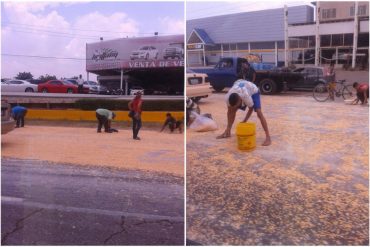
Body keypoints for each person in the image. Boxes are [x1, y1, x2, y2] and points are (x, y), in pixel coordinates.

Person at [216, 72, 271, 146]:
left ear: (240, 99)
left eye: (237, 106)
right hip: (239, 84)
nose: (236, 108)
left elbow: (250, 109)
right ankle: (227, 131)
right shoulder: (227, 97)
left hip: (253, 90)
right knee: (231, 111)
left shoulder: (246, 96)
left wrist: (245, 120)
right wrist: (228, 126)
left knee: (259, 112)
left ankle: (268, 137)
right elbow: (229, 112)